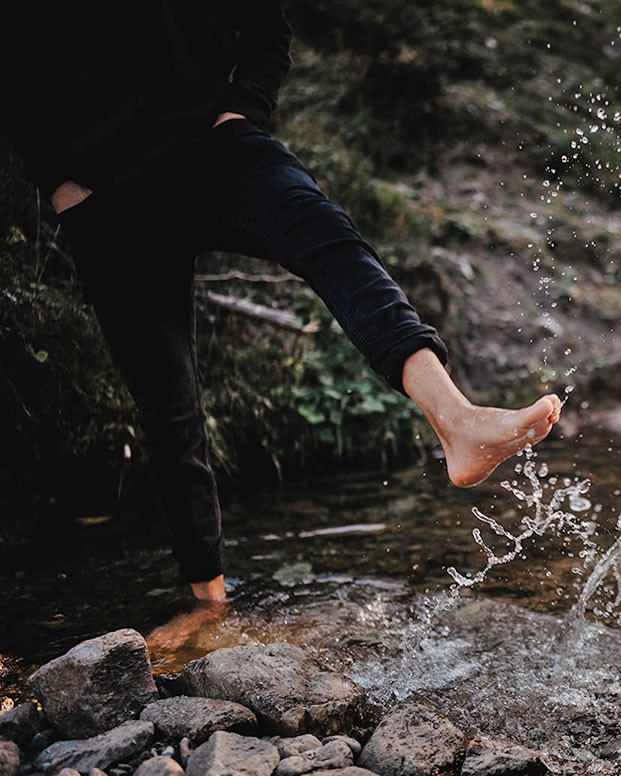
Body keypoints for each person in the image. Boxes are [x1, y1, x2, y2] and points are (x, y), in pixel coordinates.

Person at [0, 2, 562, 607]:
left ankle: (456, 420)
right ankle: (209, 607)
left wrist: (244, 108)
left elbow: (267, 25)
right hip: (102, 195)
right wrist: (60, 182)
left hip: (216, 147)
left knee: (327, 239)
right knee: (168, 408)